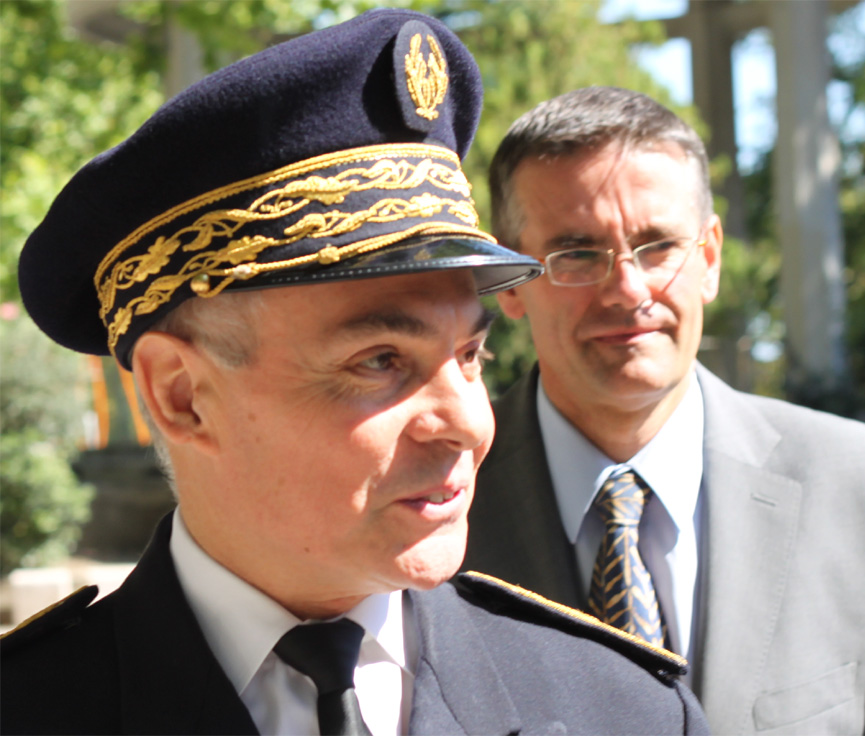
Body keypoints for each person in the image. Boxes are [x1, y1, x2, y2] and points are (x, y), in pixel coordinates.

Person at [0, 22, 710, 736]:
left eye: (470, 356)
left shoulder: (622, 709)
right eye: (381, 361)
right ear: (181, 395)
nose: (469, 423)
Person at [464, 86, 865, 735]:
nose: (628, 289)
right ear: (511, 280)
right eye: (577, 253)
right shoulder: (430, 503)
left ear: (709, 258)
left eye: (658, 245)